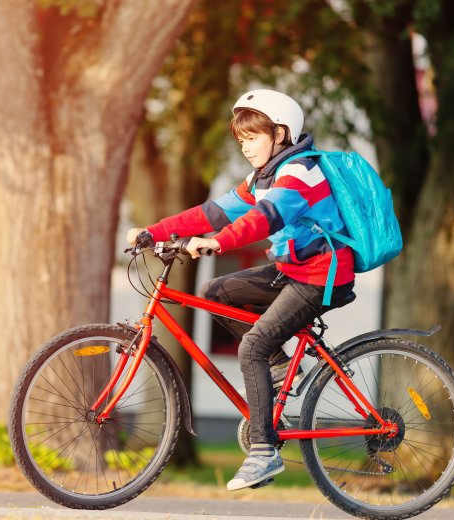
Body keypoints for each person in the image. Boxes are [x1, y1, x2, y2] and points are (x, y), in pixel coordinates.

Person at [126, 89, 356, 490]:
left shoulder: (298, 171)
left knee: (252, 347)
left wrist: (217, 242)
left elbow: (266, 218)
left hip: (322, 274)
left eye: (253, 137)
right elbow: (214, 211)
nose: (246, 147)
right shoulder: (264, 176)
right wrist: (155, 230)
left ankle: (264, 453)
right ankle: (281, 366)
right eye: (242, 139)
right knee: (216, 291)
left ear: (280, 133)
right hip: (293, 270)